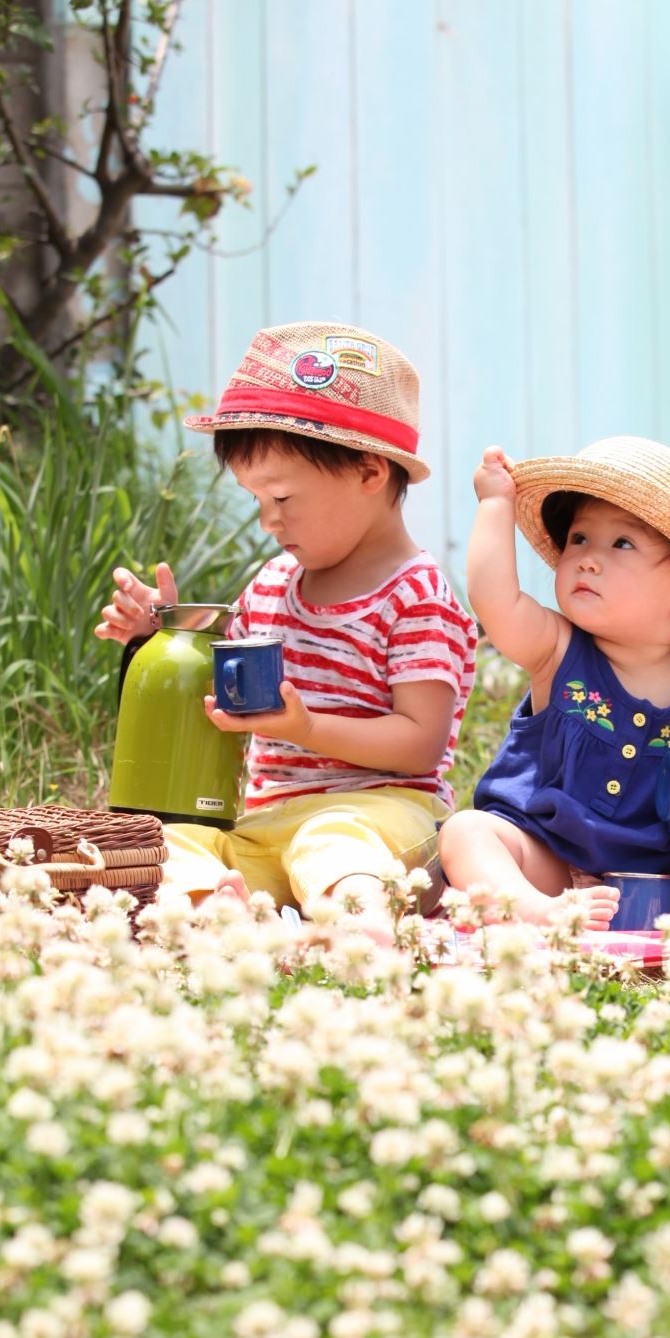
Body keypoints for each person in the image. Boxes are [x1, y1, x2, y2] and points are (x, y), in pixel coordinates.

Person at [96, 321, 477, 933]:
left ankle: (362, 932)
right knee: (179, 844)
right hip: (270, 822)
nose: (269, 521)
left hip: (385, 821)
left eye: (283, 497)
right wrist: (163, 633)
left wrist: (306, 727)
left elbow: (420, 742)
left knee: (332, 843)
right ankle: (222, 915)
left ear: (369, 472)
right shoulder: (272, 583)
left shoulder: (416, 595)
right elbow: (222, 688)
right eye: (256, 500)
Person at [440, 436, 670, 927]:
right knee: (468, 832)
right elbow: (494, 600)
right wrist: (496, 505)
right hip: (553, 865)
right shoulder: (556, 648)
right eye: (578, 539)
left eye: (621, 543)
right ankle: (534, 912)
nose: (587, 558)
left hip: (669, 876)